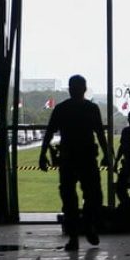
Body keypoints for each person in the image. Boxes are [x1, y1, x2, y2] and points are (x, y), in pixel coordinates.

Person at [39, 75, 110, 251]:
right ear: (84, 89)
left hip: (68, 159)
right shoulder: (91, 108)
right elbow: (100, 134)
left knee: (70, 199)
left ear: (70, 89)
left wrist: (42, 155)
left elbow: (49, 133)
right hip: (86, 158)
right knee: (93, 196)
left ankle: (74, 237)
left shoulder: (62, 109)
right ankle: (88, 227)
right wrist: (107, 154)